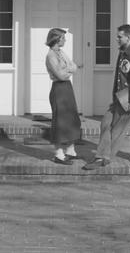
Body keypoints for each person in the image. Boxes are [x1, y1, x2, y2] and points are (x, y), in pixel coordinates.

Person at [83, 24, 130, 170]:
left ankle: (102, 158)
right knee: (105, 123)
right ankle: (103, 157)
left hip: (129, 99)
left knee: (117, 132)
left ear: (128, 37)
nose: (117, 39)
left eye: (119, 36)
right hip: (118, 98)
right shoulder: (123, 52)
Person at [45, 27, 81, 165]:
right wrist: (69, 69)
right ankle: (59, 155)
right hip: (59, 89)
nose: (65, 40)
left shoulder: (61, 52)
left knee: (72, 119)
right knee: (60, 121)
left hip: (67, 87)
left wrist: (67, 70)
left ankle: (71, 151)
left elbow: (75, 67)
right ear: (56, 39)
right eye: (63, 38)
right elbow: (60, 75)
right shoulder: (50, 56)